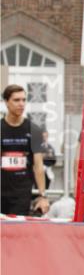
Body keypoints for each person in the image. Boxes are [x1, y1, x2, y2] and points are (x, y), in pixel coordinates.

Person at [1, 84, 49, 216]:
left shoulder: (34, 130)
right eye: (16, 100)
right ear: (6, 102)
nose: (21, 104)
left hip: (21, 193)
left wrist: (42, 195)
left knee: (15, 232)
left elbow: (38, 166)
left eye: (24, 100)